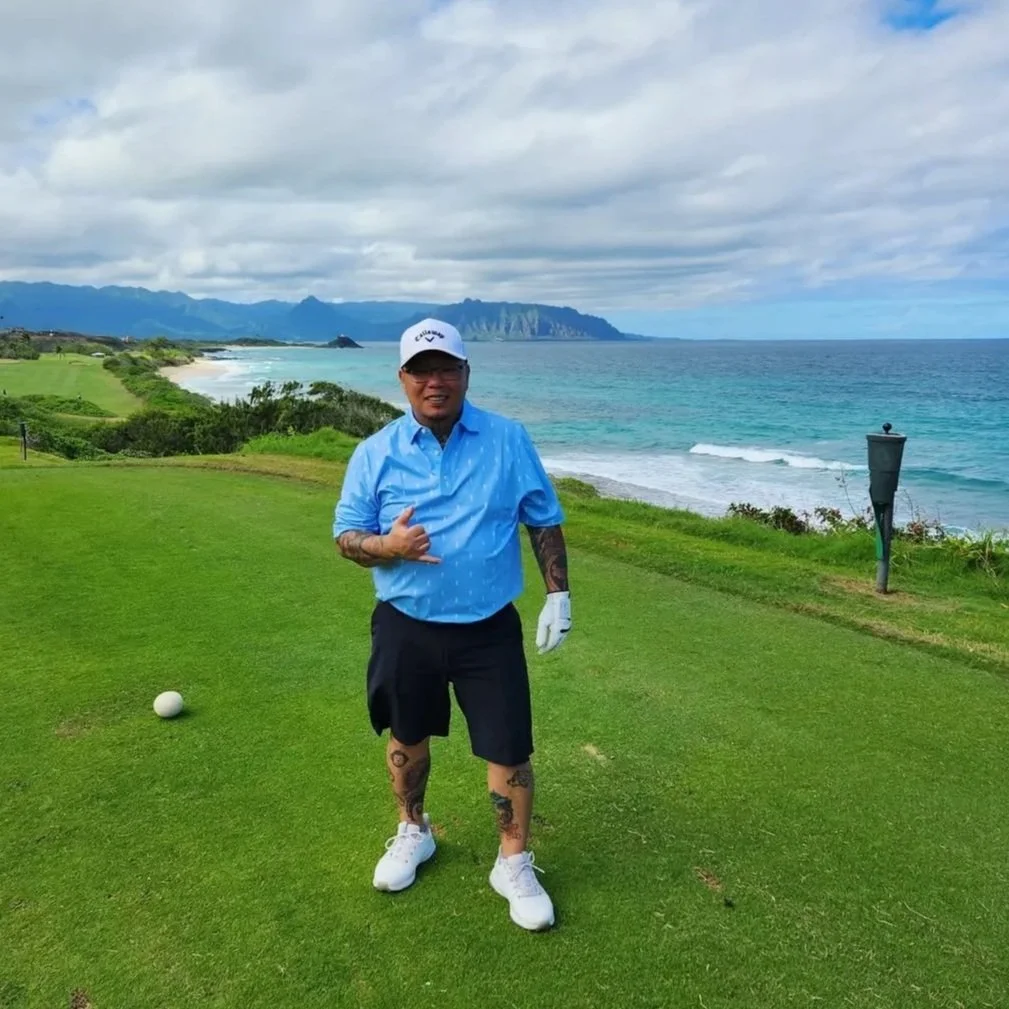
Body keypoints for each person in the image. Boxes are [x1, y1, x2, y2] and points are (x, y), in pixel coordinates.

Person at [332, 318, 572, 931]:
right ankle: (414, 830)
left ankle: (513, 860)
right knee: (405, 738)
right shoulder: (375, 452)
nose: (434, 381)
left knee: (509, 747)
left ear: (466, 374)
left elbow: (541, 518)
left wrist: (558, 595)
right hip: (405, 623)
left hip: (488, 627)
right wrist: (387, 546)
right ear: (404, 379)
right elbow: (346, 537)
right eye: (421, 370)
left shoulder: (507, 439)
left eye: (446, 368)